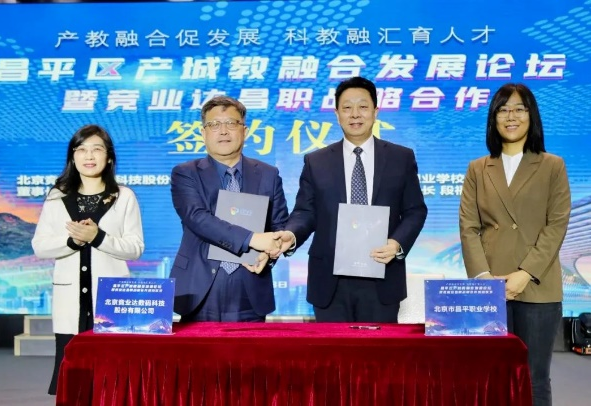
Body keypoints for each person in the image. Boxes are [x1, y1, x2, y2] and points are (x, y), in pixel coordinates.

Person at [274, 76, 427, 323]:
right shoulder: (316, 161)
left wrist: (397, 243)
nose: (355, 114)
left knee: (380, 348)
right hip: (330, 279)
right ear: (337, 114)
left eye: (363, 106)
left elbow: (415, 210)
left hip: (382, 272)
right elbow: (305, 212)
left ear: (376, 111)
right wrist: (291, 235)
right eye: (347, 107)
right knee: (332, 349)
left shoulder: (401, 158)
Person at [459, 83, 570, 406]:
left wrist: (526, 273)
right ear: (493, 118)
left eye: (519, 109)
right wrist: (483, 278)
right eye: (503, 109)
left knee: (534, 378)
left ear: (531, 116)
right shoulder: (478, 168)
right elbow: (468, 227)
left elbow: (556, 225)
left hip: (538, 285)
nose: (511, 116)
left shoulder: (552, 165)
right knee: (490, 376)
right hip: (490, 286)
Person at [31, 124, 144, 395]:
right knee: (74, 384)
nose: (89, 156)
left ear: (109, 157)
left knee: (113, 382)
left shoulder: (124, 196)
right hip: (70, 304)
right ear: (72, 156)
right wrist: (72, 242)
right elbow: (40, 246)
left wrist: (98, 237)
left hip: (112, 300)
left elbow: (135, 248)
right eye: (81, 149)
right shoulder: (57, 195)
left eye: (97, 149)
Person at [170, 95, 288, 322]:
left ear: (245, 130)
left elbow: (279, 224)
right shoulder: (185, 173)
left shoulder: (268, 174)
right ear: (203, 133)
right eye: (214, 124)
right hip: (199, 288)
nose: (223, 131)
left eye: (231, 123)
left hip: (251, 284)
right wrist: (253, 239)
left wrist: (268, 254)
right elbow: (197, 218)